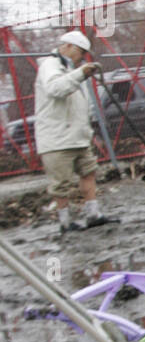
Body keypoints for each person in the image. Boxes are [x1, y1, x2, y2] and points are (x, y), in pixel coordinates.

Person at [33, 30, 115, 233]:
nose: (82, 58)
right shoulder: (50, 66)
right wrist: (80, 73)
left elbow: (81, 104)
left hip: (78, 137)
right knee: (62, 183)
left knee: (88, 173)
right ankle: (65, 221)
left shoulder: (71, 68)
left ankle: (93, 214)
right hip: (57, 139)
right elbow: (55, 89)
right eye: (81, 52)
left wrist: (88, 130)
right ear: (68, 46)